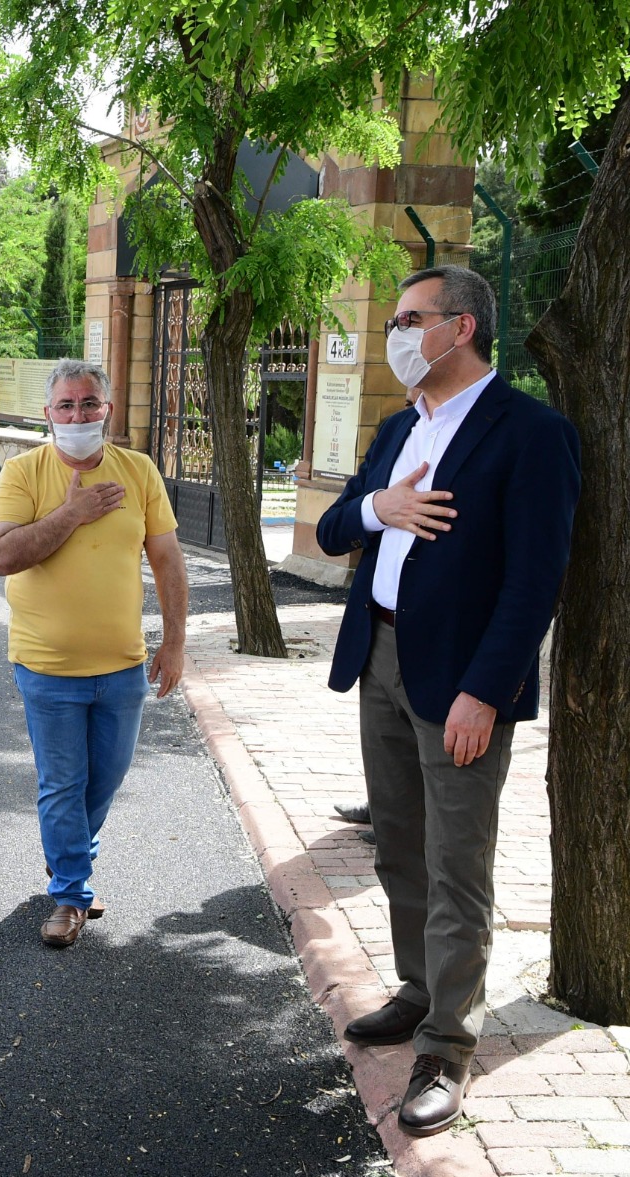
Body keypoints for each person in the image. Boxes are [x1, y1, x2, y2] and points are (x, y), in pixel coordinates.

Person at [316, 267, 580, 1138]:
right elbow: (332, 528)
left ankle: (445, 1047)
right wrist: (380, 507)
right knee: (398, 843)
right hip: (381, 656)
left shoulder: (532, 433)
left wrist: (486, 692)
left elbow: (535, 581)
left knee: (455, 863)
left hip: (463, 682)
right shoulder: (400, 428)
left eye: (408, 319)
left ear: (460, 326)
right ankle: (418, 988)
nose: (395, 333)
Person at [0, 359, 189, 948]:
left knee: (105, 780)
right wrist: (72, 513)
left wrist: (174, 642)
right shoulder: (23, 473)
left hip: (123, 666)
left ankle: (67, 856)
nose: (79, 415)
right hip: (47, 667)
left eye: (89, 403)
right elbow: (2, 557)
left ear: (108, 408)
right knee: (62, 783)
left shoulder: (138, 471)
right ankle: (72, 892)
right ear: (48, 414)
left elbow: (167, 560)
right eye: (67, 406)